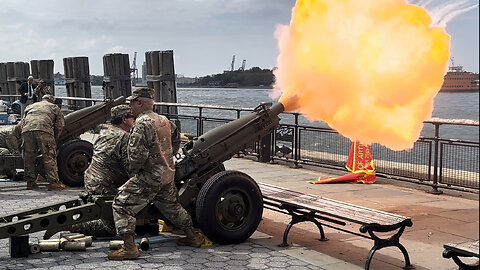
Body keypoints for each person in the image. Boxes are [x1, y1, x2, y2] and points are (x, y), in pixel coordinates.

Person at [108, 88, 201, 261]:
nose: (130, 107)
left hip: (150, 176)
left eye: (131, 103)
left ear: (140, 103)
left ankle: (129, 248)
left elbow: (136, 156)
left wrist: (133, 173)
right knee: (172, 207)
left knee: (121, 204)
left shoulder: (141, 123)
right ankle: (192, 237)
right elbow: (176, 139)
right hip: (166, 174)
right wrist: (168, 156)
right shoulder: (164, 120)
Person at [43, 104, 135, 239]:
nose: (134, 120)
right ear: (124, 119)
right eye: (132, 117)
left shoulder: (105, 133)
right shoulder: (124, 137)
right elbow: (130, 167)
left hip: (91, 179)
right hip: (105, 185)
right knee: (110, 228)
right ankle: (67, 225)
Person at [21, 94, 65, 190]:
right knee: (49, 157)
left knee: (28, 157)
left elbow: (22, 122)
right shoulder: (54, 107)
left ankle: (30, 182)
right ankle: (53, 183)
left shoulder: (30, 106)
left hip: (27, 130)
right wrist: (55, 138)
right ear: (51, 101)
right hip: (44, 130)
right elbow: (59, 125)